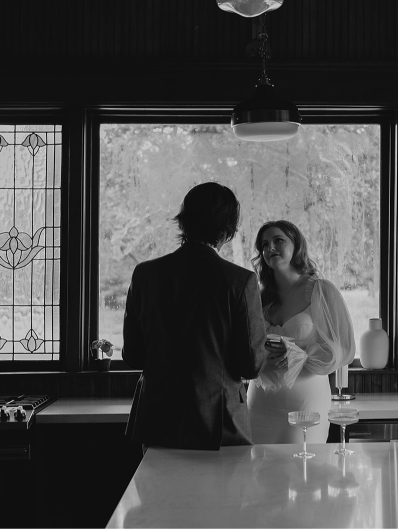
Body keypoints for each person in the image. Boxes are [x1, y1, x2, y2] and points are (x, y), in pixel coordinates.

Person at [122, 182, 268, 450]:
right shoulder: (240, 281)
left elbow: (132, 356)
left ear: (183, 222)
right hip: (219, 422)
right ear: (229, 229)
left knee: (160, 493)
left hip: (157, 419)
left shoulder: (145, 275)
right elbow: (250, 365)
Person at [247, 220, 356, 444]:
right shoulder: (257, 298)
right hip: (259, 407)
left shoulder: (321, 291)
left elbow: (342, 350)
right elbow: (244, 348)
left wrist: (298, 354)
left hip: (306, 408)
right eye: (264, 245)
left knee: (303, 473)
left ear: (296, 245)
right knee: (259, 475)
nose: (270, 248)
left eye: (278, 240)